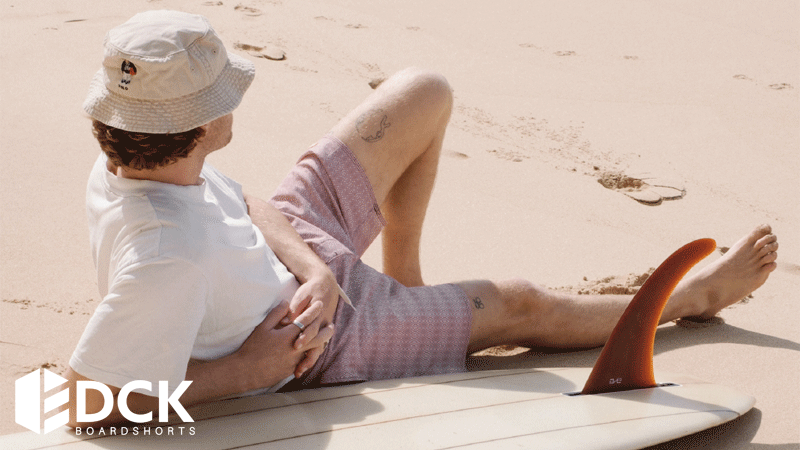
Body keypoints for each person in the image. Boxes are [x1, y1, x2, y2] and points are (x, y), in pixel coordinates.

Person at [64, 10, 779, 427]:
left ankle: (408, 283)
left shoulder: (134, 160)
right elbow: (83, 400)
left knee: (424, 93)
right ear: (197, 120)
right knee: (516, 302)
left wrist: (312, 264)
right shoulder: (166, 257)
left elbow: (237, 199)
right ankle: (695, 299)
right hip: (328, 341)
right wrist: (250, 367)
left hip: (292, 248)